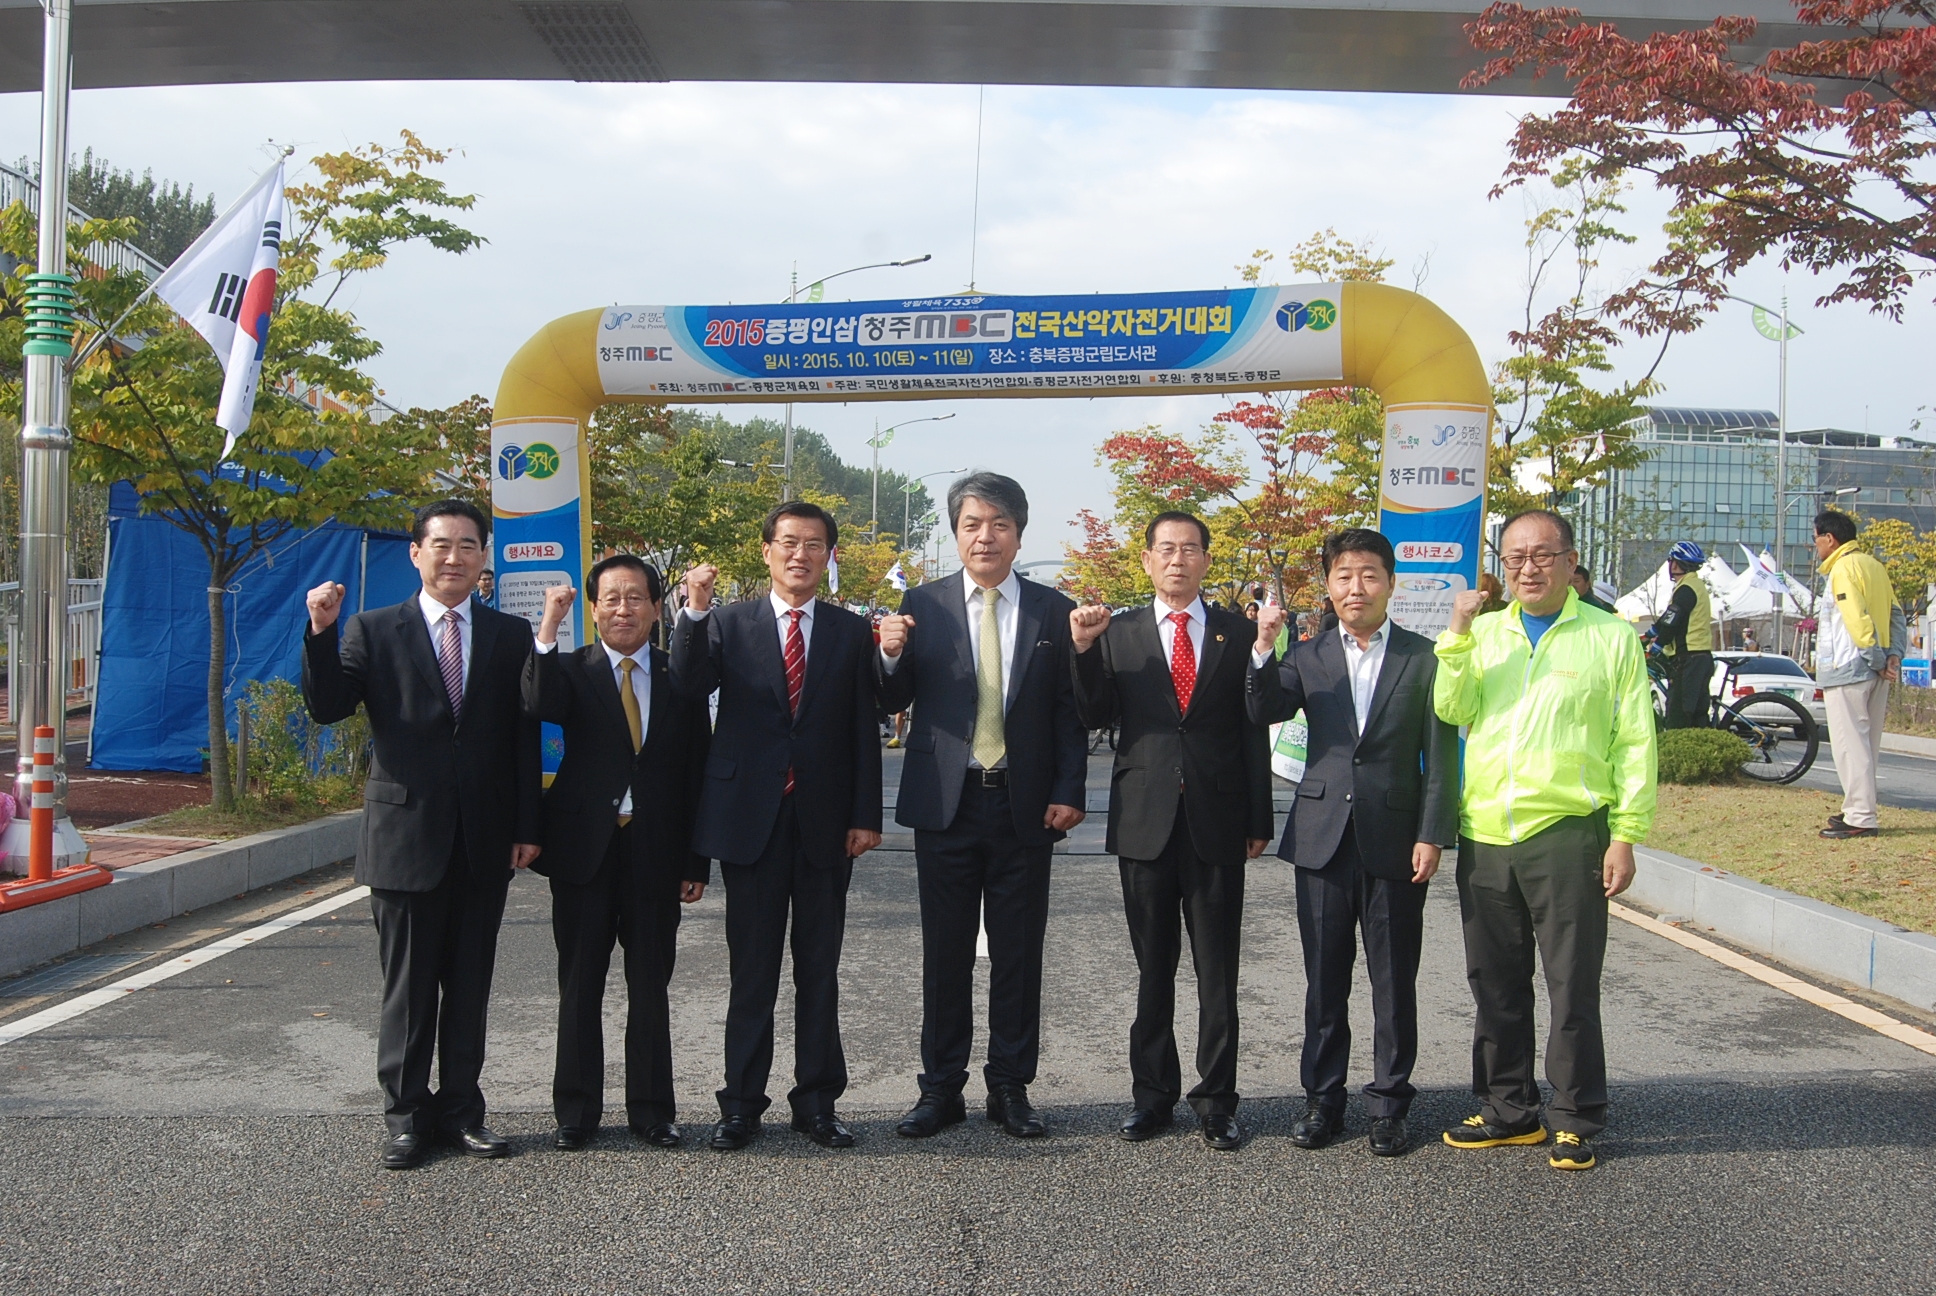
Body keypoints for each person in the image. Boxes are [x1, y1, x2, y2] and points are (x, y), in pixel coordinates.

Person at [301, 499, 541, 1171]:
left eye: (469, 545)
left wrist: (526, 826)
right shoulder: (372, 631)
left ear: (484, 555)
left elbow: (523, 740)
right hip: (404, 838)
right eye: (441, 544)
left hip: (484, 840)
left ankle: (463, 1112)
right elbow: (327, 707)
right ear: (416, 553)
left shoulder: (508, 634)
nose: (455, 557)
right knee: (407, 990)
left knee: (470, 988)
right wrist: (320, 630)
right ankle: (406, 1117)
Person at [1433, 508, 1656, 1172]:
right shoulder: (1488, 633)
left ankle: (1576, 1116)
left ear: (1568, 560)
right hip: (1488, 834)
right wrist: (1457, 633)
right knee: (1495, 981)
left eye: (1540, 555)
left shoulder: (1610, 638)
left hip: (1566, 831)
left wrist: (1626, 835)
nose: (1527, 568)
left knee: (1570, 980)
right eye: (1513, 558)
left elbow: (1636, 742)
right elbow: (1454, 710)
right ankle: (1508, 1109)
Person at [876, 472, 1087, 1140]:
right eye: (972, 523)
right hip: (948, 803)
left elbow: (1069, 714)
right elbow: (892, 698)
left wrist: (1069, 790)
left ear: (1019, 533)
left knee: (1019, 952)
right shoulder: (924, 604)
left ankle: (1010, 1087)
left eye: (999, 523)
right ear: (956, 532)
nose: (985, 536)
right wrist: (888, 655)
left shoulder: (1054, 611)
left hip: (1025, 807)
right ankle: (940, 1089)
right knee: (945, 953)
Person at [671, 501, 884, 1151]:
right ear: (765, 551)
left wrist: (865, 816)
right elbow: (685, 682)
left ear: (829, 556)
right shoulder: (727, 623)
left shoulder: (850, 632)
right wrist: (695, 607)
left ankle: (818, 1102)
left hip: (825, 824)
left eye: (813, 544)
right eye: (788, 543)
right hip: (750, 823)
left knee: (820, 968)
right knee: (753, 971)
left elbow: (862, 730)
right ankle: (740, 1105)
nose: (800, 554)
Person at [1247, 529, 1459, 1157]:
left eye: (1368, 575)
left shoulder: (1425, 657)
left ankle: (1390, 1104)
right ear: (1329, 586)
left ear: (1391, 583)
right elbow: (1263, 711)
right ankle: (1323, 1101)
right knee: (1324, 980)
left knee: (1394, 980)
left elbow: (1441, 756)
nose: (1355, 587)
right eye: (1343, 576)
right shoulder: (1307, 655)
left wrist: (1433, 833)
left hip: (1396, 840)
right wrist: (1263, 646)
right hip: (1319, 840)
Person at [1068, 511, 1272, 1151]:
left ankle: (1217, 1100)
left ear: (1207, 560)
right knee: (1152, 968)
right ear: (1148, 561)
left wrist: (1260, 818)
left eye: (1190, 549)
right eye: (1166, 550)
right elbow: (1094, 713)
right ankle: (1151, 1097)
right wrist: (1081, 651)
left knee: (1218, 971)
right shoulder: (1117, 632)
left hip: (1218, 819)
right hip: (1145, 820)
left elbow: (1251, 730)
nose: (1178, 560)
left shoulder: (1238, 635)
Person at [523, 557, 711, 1150]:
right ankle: (575, 1113)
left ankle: (653, 1110)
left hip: (656, 852)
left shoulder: (678, 675)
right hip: (585, 852)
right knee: (579, 982)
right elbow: (537, 703)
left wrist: (695, 861)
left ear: (657, 609)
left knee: (650, 983)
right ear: (594, 608)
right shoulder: (571, 669)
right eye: (611, 599)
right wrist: (549, 627)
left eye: (636, 598)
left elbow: (696, 771)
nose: (623, 609)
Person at [1812, 509, 1907, 840]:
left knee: (1849, 745)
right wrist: (1893, 656)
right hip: (1876, 672)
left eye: (1815, 539)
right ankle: (1855, 806)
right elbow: (1897, 614)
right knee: (1867, 745)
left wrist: (1876, 657)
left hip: (1849, 669)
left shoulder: (1843, 568)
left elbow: (1856, 618)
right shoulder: (1874, 566)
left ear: (1830, 539)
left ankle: (1861, 817)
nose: (1815, 546)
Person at [1650, 541, 1714, 730]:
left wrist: (1657, 645)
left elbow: (1673, 619)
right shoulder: (1695, 585)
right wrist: (1653, 631)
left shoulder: (1686, 589)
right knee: (1697, 717)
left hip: (1688, 658)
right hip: (1701, 656)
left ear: (1676, 564)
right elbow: (1670, 615)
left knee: (1679, 715)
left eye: (1671, 561)